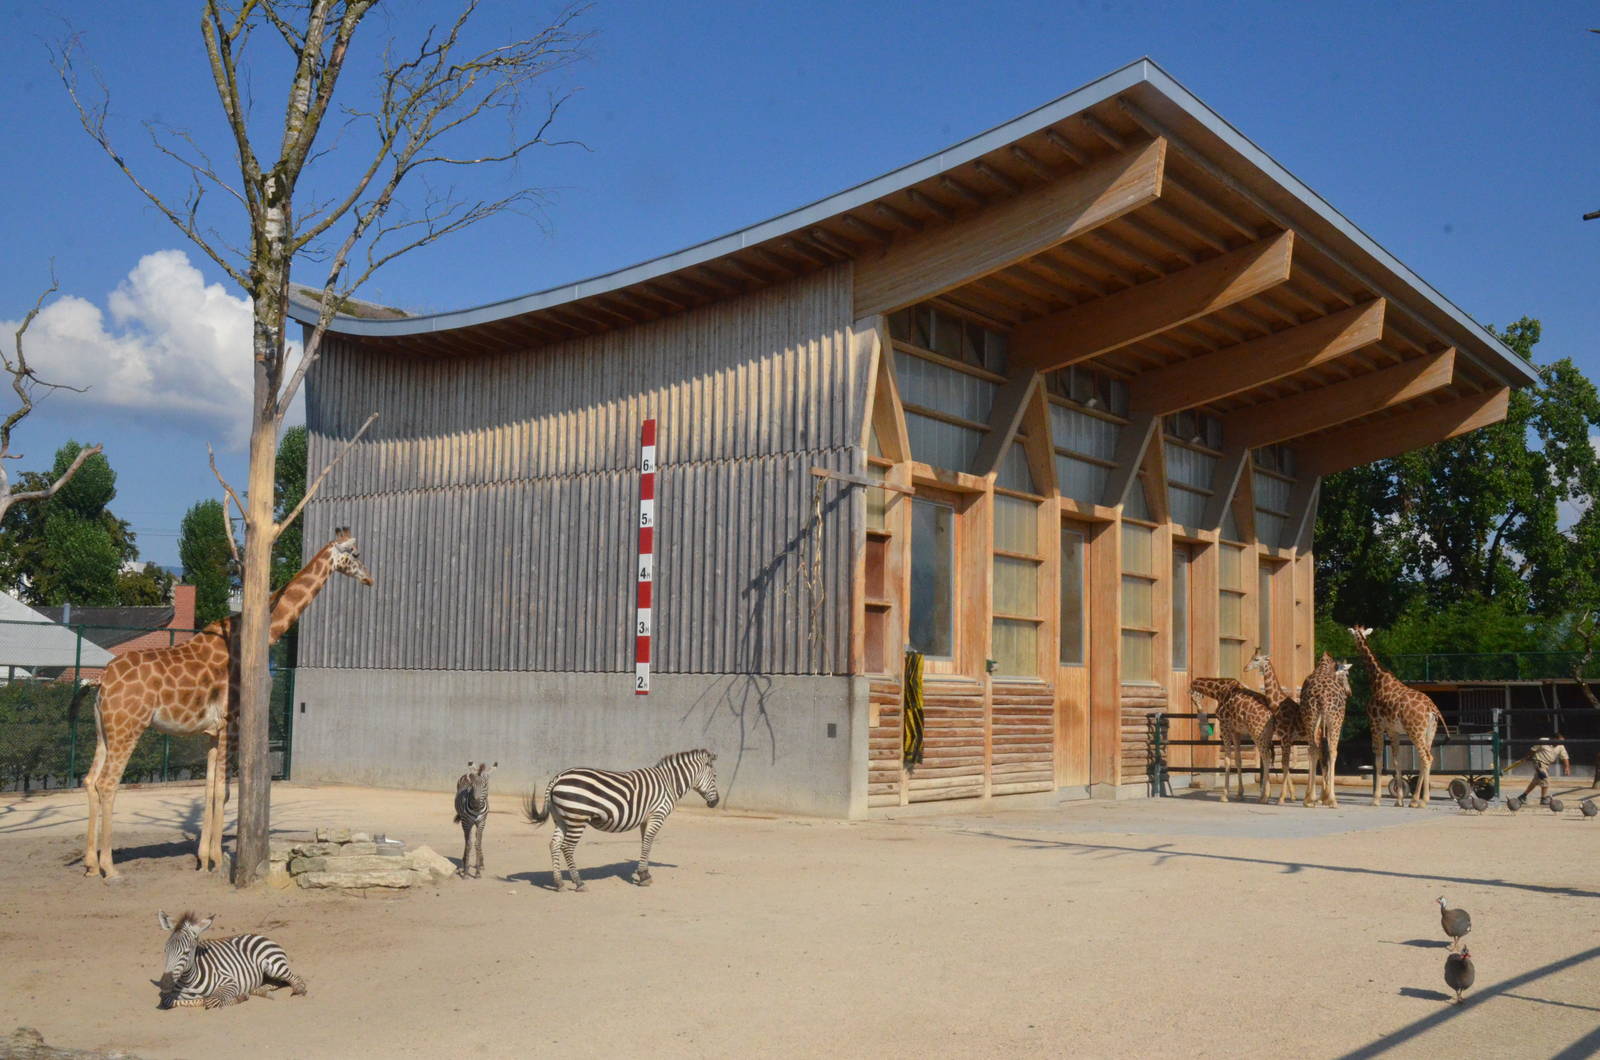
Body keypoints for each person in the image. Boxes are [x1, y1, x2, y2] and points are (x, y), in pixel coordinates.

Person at [1516, 735, 1571, 805]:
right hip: (1538, 762)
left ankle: (1523, 796)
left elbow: (1565, 757)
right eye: (1559, 741)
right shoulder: (1543, 740)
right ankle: (1543, 799)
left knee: (1536, 781)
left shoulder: (1561, 746)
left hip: (1546, 765)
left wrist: (1567, 767)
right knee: (1544, 778)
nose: (1560, 743)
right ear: (1553, 739)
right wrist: (1526, 758)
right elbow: (1533, 750)